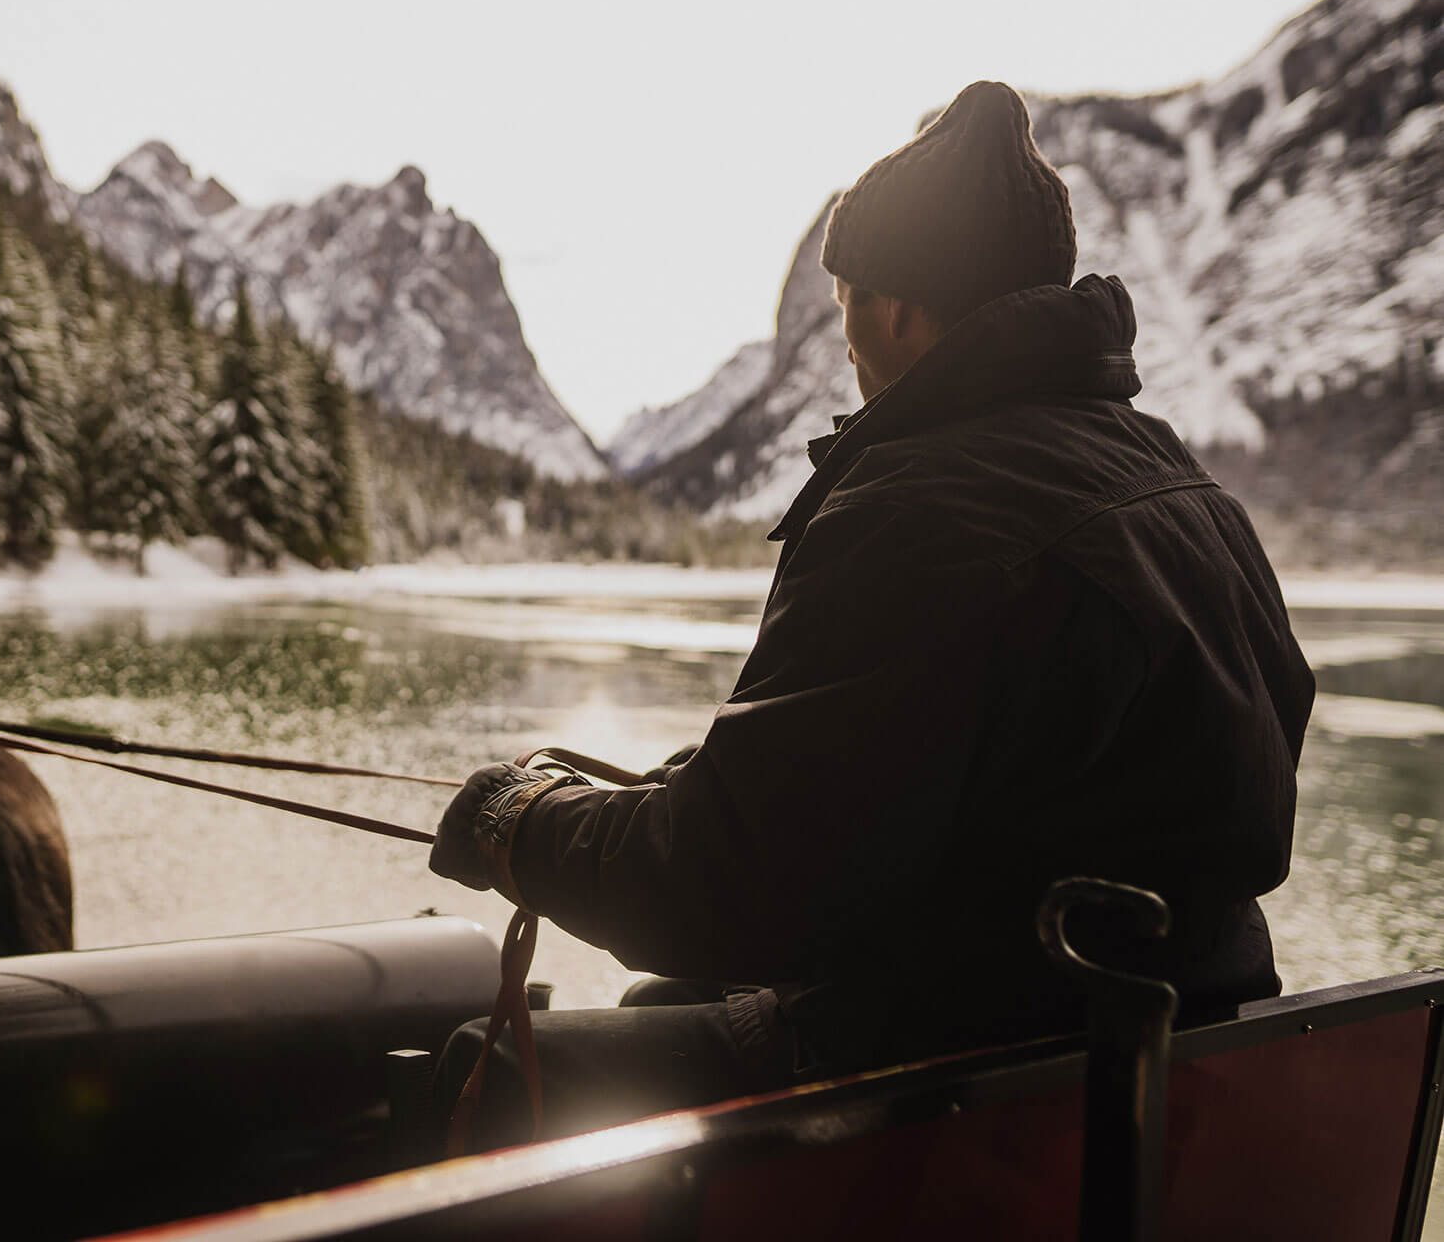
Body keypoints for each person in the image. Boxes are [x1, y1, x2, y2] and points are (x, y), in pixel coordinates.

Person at [429, 81, 1314, 1149]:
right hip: (1167, 1072)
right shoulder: (1182, 485)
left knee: (478, 1067)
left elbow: (732, 885)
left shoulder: (924, 507)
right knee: (664, 1008)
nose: (843, 330)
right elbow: (936, 780)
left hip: (960, 1098)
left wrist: (517, 825)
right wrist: (684, 784)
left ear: (894, 306)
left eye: (844, 296)